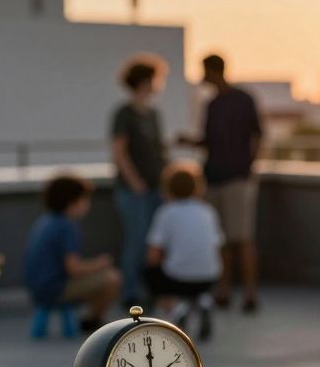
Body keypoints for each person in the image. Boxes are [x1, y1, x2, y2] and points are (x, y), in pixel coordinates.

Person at [181, 54, 263, 313]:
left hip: (237, 178)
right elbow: (208, 141)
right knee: (223, 240)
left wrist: (249, 167)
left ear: (213, 71)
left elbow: (257, 134)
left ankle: (250, 294)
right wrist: (189, 142)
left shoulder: (242, 100)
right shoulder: (212, 104)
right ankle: (224, 292)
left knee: (242, 238)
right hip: (214, 178)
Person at [23, 174, 121, 331]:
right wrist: (100, 264)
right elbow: (74, 269)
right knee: (112, 278)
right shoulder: (66, 226)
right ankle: (93, 321)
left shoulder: (46, 221)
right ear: (72, 202)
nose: (88, 204)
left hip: (37, 288)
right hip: (55, 289)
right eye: (85, 199)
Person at [110, 54, 169, 308]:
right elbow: (119, 151)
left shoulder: (153, 114)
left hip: (156, 188)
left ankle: (152, 291)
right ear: (144, 81)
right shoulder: (124, 113)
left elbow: (159, 150)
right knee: (137, 239)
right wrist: (135, 182)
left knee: (155, 242)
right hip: (133, 191)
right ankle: (129, 293)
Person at [145, 161, 223, 339]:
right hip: (209, 277)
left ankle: (176, 309)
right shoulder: (208, 211)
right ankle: (204, 301)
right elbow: (216, 246)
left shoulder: (166, 212)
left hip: (179, 279)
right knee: (196, 279)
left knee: (150, 273)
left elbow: (153, 254)